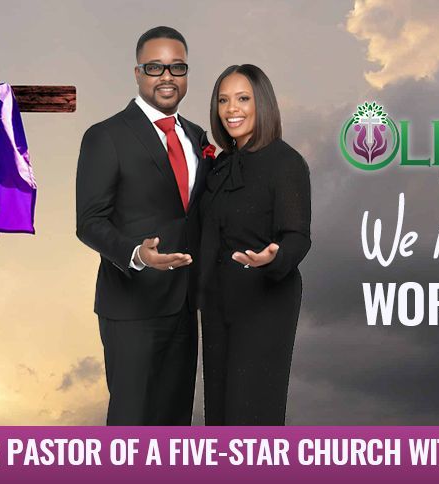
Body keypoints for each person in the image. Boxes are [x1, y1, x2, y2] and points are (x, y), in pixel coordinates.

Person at [75, 26, 211, 425]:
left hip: (184, 305)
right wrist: (136, 254)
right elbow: (89, 222)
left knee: (174, 424)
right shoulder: (106, 136)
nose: (167, 76)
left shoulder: (197, 137)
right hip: (131, 307)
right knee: (131, 424)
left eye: (177, 67)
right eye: (155, 67)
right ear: (138, 73)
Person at [199, 64, 312, 425]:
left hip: (264, 303)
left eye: (243, 99)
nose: (231, 109)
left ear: (262, 103)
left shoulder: (286, 162)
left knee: (250, 414)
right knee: (218, 417)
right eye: (223, 100)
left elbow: (297, 236)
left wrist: (275, 257)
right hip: (217, 304)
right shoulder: (219, 167)